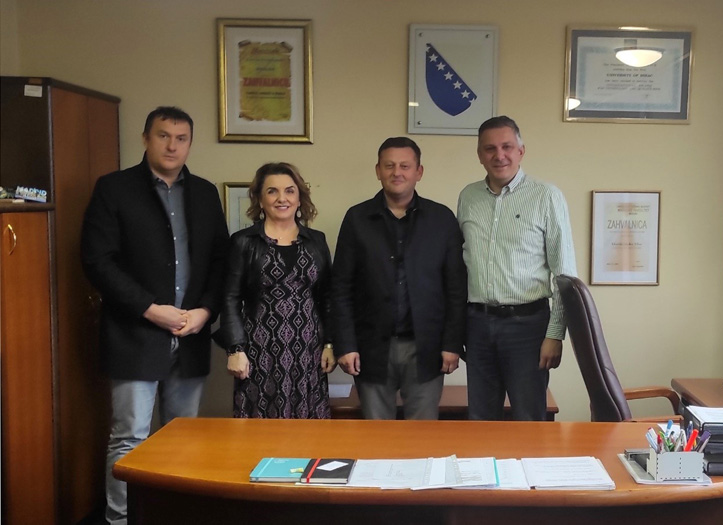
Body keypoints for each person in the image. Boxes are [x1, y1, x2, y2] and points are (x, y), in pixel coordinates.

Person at [81, 106, 229, 524]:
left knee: (184, 436)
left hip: (191, 332)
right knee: (130, 438)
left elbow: (220, 261)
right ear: (146, 138)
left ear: (190, 144)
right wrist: (149, 309)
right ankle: (120, 520)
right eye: (163, 136)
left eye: (181, 138)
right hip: (134, 332)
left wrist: (205, 311)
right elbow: (97, 260)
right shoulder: (114, 189)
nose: (172, 146)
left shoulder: (203, 193)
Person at [331, 137, 467, 420]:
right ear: (378, 170)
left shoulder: (441, 219)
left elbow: (455, 288)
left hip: (426, 347)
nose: (397, 172)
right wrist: (345, 344)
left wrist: (452, 344)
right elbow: (341, 287)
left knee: (422, 435)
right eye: (389, 165)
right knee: (376, 434)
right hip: (370, 347)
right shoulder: (357, 219)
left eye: (405, 166)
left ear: (419, 172)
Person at [457, 116, 577, 421]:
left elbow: (564, 276)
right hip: (477, 325)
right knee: (480, 420)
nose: (499, 155)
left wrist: (555, 334)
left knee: (529, 419)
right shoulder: (468, 197)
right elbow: (460, 265)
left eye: (507, 147)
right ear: (480, 155)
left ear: (521, 151)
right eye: (490, 149)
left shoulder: (546, 196)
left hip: (528, 328)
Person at [219, 162, 335, 419]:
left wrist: (329, 343)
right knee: (260, 428)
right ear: (260, 199)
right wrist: (235, 350)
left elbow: (327, 297)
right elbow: (229, 298)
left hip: (309, 352)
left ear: (299, 198)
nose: (282, 198)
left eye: (290, 191)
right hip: (259, 352)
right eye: (272, 191)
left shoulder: (316, 240)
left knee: (309, 430)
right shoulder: (243, 241)